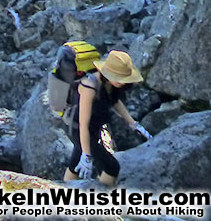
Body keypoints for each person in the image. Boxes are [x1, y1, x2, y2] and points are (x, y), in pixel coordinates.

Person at [63, 50, 151, 186]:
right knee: (112, 167)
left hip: (94, 127)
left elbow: (114, 101)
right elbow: (83, 124)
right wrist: (87, 156)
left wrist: (134, 124)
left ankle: (60, 192)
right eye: (119, 78)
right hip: (78, 129)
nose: (122, 82)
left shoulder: (111, 84)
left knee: (74, 164)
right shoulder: (89, 86)